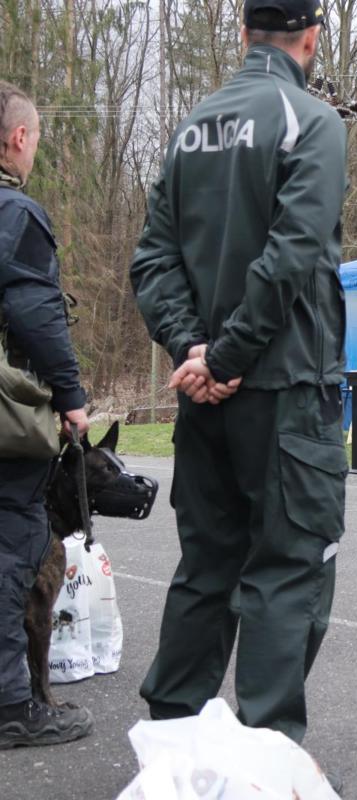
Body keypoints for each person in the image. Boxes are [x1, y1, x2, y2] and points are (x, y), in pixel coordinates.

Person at [129, 0, 348, 752]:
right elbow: (291, 255)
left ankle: (171, 746)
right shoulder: (313, 123)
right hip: (286, 390)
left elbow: (151, 259)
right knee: (290, 568)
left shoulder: (192, 128)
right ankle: (265, 758)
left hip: (209, 395)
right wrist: (221, 358)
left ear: (244, 31)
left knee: (209, 563)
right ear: (311, 38)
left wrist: (193, 350)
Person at [0, 81, 94, 748]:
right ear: (19, 138)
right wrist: (69, 396)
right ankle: (11, 704)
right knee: (13, 548)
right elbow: (35, 314)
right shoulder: (15, 215)